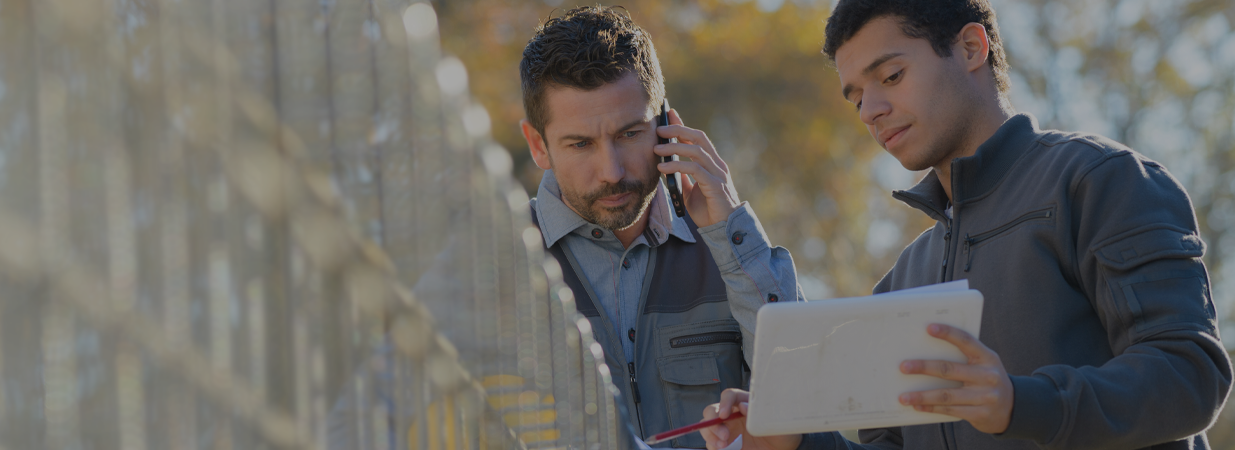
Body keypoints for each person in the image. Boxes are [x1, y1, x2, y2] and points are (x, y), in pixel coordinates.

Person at [699, 1, 1232, 449]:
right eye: (857, 96)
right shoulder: (904, 278)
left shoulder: (1101, 181)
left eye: (890, 76)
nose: (870, 111)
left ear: (971, 48)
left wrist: (1021, 403)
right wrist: (789, 439)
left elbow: (1190, 373)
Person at [517, 6, 803, 448]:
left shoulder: (730, 248)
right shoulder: (497, 265)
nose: (611, 171)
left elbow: (808, 391)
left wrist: (731, 235)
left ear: (668, 125)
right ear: (538, 145)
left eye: (630, 134)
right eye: (580, 144)